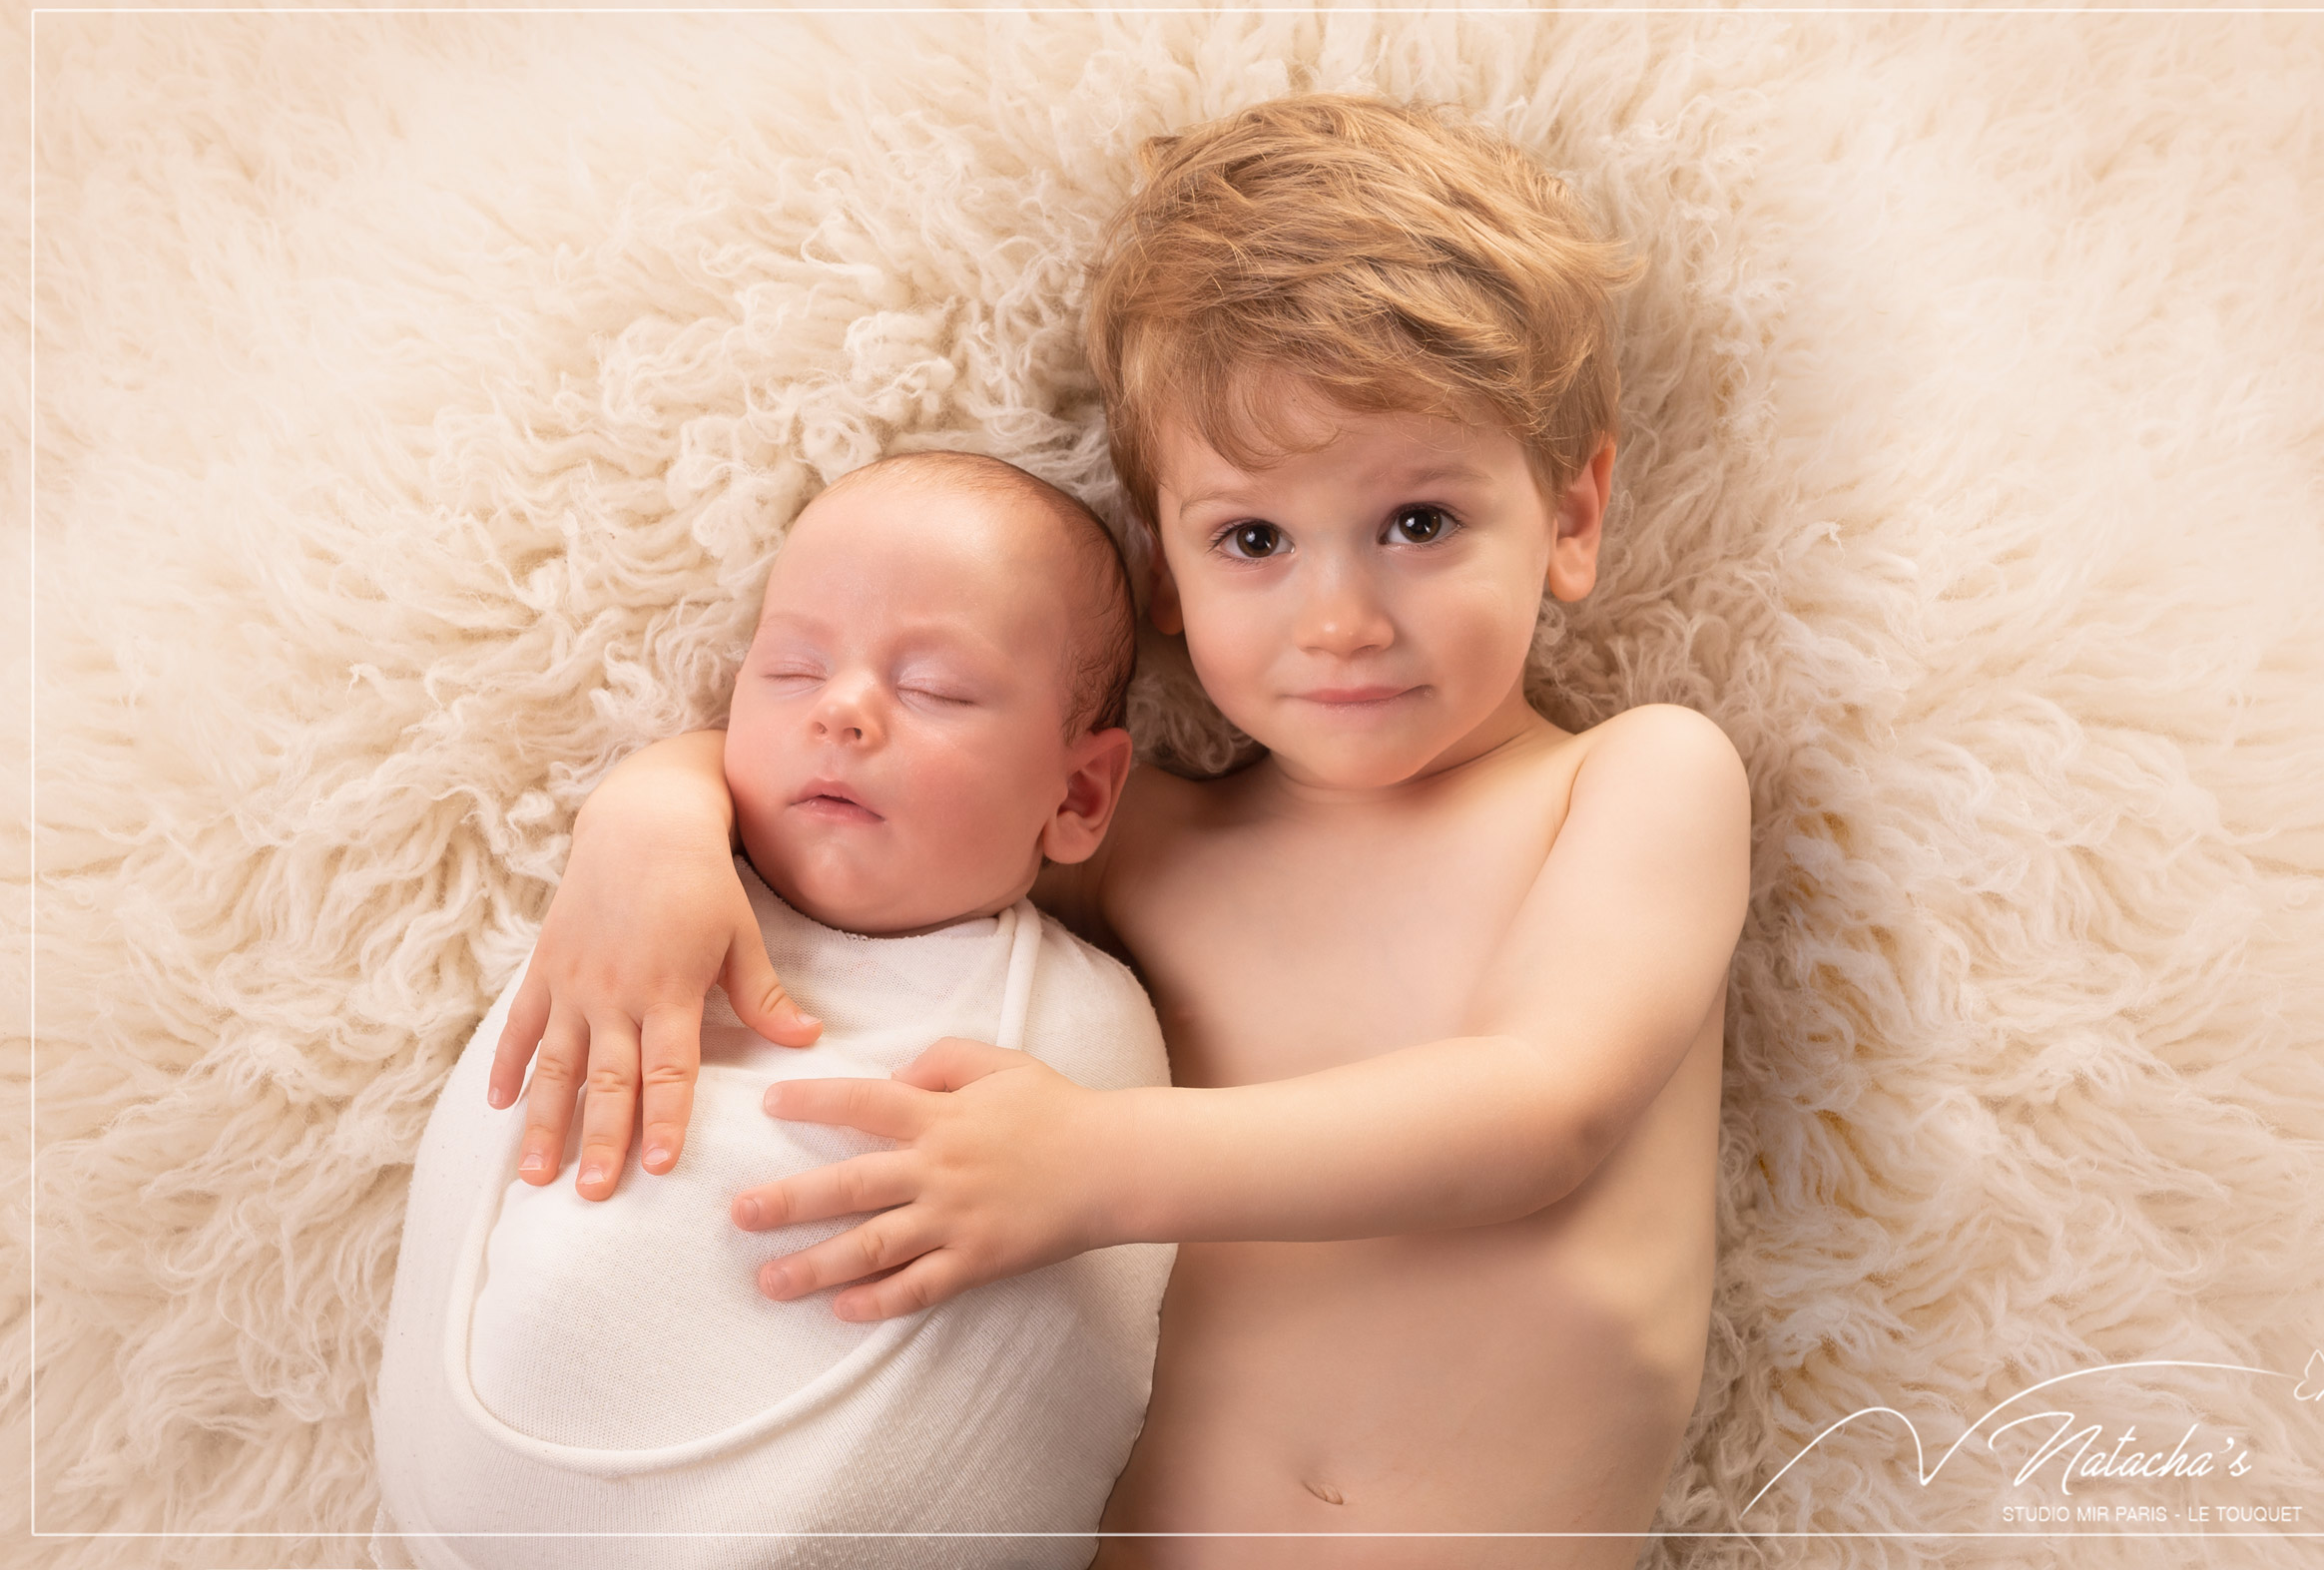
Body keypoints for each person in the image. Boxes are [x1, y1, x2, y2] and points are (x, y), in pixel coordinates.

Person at [492, 95, 1751, 1566]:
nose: (1340, 618)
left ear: (1574, 513)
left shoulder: (1635, 783)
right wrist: (649, 814)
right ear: (1164, 573)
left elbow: (1542, 1110)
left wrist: (1089, 1168)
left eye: (1418, 521)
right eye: (1254, 541)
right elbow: (878, 780)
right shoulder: (1146, 845)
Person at [371, 452, 1175, 1570]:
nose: (843, 708)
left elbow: (1059, 1338)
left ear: (1079, 793)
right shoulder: (642, 908)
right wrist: (650, 803)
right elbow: (511, 1122)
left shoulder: (1083, 1023)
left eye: (936, 687)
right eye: (792, 668)